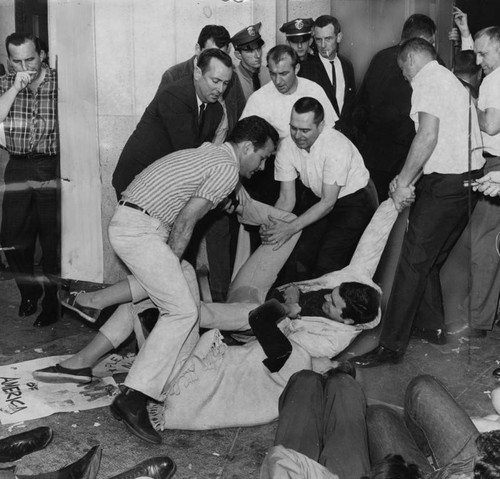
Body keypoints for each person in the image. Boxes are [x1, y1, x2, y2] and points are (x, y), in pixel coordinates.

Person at [38, 116, 278, 444]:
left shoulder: (209, 154)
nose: (263, 166)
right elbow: (185, 221)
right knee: (182, 310)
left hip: (133, 221)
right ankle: (134, 396)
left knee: (180, 281)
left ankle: (85, 358)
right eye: (263, 157)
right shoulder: (226, 168)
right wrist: (170, 263)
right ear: (247, 147)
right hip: (142, 230)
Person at [350, 37, 485, 368]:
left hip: (448, 184)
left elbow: (427, 137)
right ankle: (431, 325)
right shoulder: (449, 79)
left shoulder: (426, 80)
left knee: (411, 260)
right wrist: (405, 177)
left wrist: (403, 185)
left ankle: (390, 346)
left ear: (410, 61)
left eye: (403, 71)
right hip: (467, 181)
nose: (405, 78)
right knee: (430, 257)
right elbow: (438, 144)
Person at [264, 96, 378, 283]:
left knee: (328, 262)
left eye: (305, 130)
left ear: (321, 126)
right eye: (293, 128)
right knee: (301, 256)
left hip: (356, 201)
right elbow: (286, 198)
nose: (298, 136)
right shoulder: (287, 146)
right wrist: (274, 226)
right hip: (322, 199)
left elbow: (328, 202)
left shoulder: (336, 146)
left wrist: (290, 227)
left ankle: (318, 309)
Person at [111, 48, 233, 197]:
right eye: (215, 81)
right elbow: (187, 153)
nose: (220, 89)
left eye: (226, 83)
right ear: (197, 73)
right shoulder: (175, 95)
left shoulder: (216, 110)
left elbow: (201, 156)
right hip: (135, 180)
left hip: (163, 182)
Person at [0, 33, 60, 327]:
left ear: (43, 55)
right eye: (17, 60)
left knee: (51, 240)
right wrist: (13, 88)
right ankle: (29, 290)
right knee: (11, 238)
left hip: (49, 166)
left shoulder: (60, 81)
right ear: (9, 60)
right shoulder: (5, 85)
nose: (25, 66)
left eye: (31, 59)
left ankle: (52, 301)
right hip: (18, 166)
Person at [353, 14, 437, 201]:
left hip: (372, 157)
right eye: (432, 42)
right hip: (406, 163)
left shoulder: (379, 58)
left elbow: (360, 108)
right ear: (422, 41)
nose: (433, 48)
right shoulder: (430, 65)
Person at [453, 11, 500, 334]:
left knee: (483, 244)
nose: (479, 59)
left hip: (496, 165)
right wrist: (467, 35)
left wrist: (468, 99)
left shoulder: (496, 79)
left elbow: (491, 124)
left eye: (484, 54)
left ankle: (479, 319)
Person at [157, 24, 245, 140]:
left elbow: (240, 115)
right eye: (211, 53)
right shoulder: (174, 76)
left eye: (221, 55)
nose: (217, 62)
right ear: (198, 49)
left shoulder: (232, 77)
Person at [299, 15, 356, 140]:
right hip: (319, 139)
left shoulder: (347, 65)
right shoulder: (306, 69)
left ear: (339, 37)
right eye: (318, 40)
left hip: (345, 138)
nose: (323, 45)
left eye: (328, 39)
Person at [230, 22, 270, 101]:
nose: (258, 55)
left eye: (258, 48)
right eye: (250, 51)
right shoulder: (233, 79)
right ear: (238, 55)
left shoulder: (269, 74)